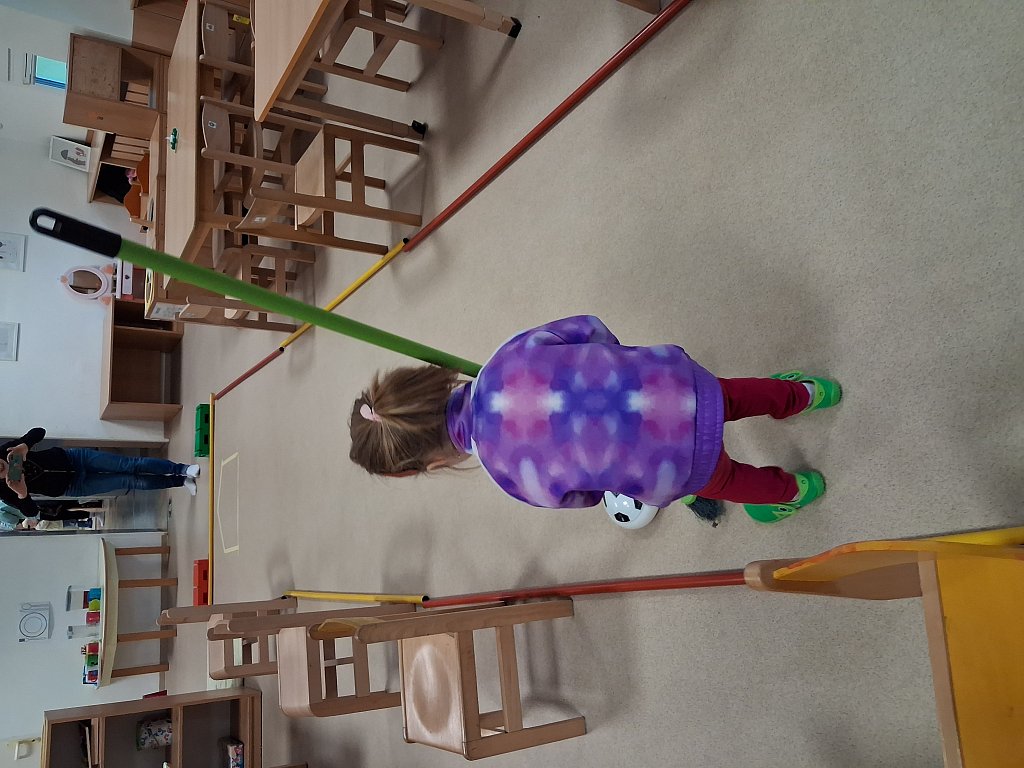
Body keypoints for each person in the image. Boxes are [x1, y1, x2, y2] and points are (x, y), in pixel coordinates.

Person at [349, 315, 841, 523]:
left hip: (674, 466)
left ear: (431, 464)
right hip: (672, 381)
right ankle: (804, 394)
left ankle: (795, 490)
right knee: (728, 396)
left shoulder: (510, 476)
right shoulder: (505, 358)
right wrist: (617, 368)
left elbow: (585, 496)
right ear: (425, 380)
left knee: (726, 479)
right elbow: (589, 328)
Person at [1, 428, 200, 518]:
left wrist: (25, 444)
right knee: (130, 481)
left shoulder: (5, 451)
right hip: (73, 486)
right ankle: (180, 482)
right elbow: (31, 512)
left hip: (75, 458)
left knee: (130, 464)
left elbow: (39, 431)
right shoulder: (3, 491)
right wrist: (23, 494)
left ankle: (182, 469)